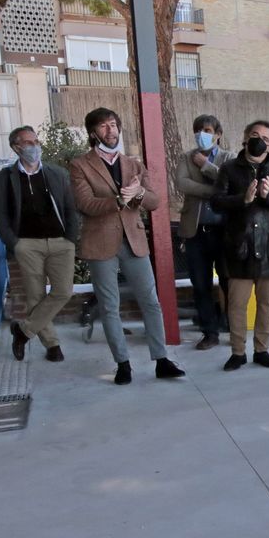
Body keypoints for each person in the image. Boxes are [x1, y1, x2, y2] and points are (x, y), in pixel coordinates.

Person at [68, 108, 186, 385]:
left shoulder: (133, 164)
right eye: (104, 127)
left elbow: (155, 201)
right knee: (110, 306)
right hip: (100, 242)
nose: (111, 131)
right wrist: (121, 199)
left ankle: (161, 360)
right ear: (93, 133)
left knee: (151, 301)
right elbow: (85, 204)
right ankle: (123, 364)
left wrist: (140, 193)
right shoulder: (80, 165)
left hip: (133, 240)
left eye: (114, 125)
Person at [0, 125, 81, 364]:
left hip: (61, 242)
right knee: (35, 295)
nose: (34, 146)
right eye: (28, 143)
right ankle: (52, 344)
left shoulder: (57, 173)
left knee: (63, 291)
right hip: (26, 244)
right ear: (16, 147)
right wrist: (14, 243)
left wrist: (71, 237)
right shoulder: (2, 180)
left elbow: (70, 208)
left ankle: (23, 331)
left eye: (36, 141)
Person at [210, 120, 269, 370]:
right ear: (245, 138)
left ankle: (262, 349)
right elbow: (216, 201)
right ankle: (238, 352)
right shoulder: (228, 169)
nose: (259, 141)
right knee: (237, 302)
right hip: (239, 246)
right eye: (255, 135)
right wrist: (243, 199)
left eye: (265, 139)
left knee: (266, 302)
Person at [176, 113, 229, 350]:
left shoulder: (230, 158)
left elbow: (231, 183)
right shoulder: (185, 157)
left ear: (218, 134)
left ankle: (232, 327)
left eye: (207, 130)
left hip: (225, 231)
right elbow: (182, 184)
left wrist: (205, 166)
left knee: (229, 282)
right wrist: (213, 191)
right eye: (198, 130)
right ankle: (210, 332)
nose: (202, 135)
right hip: (196, 231)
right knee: (200, 284)